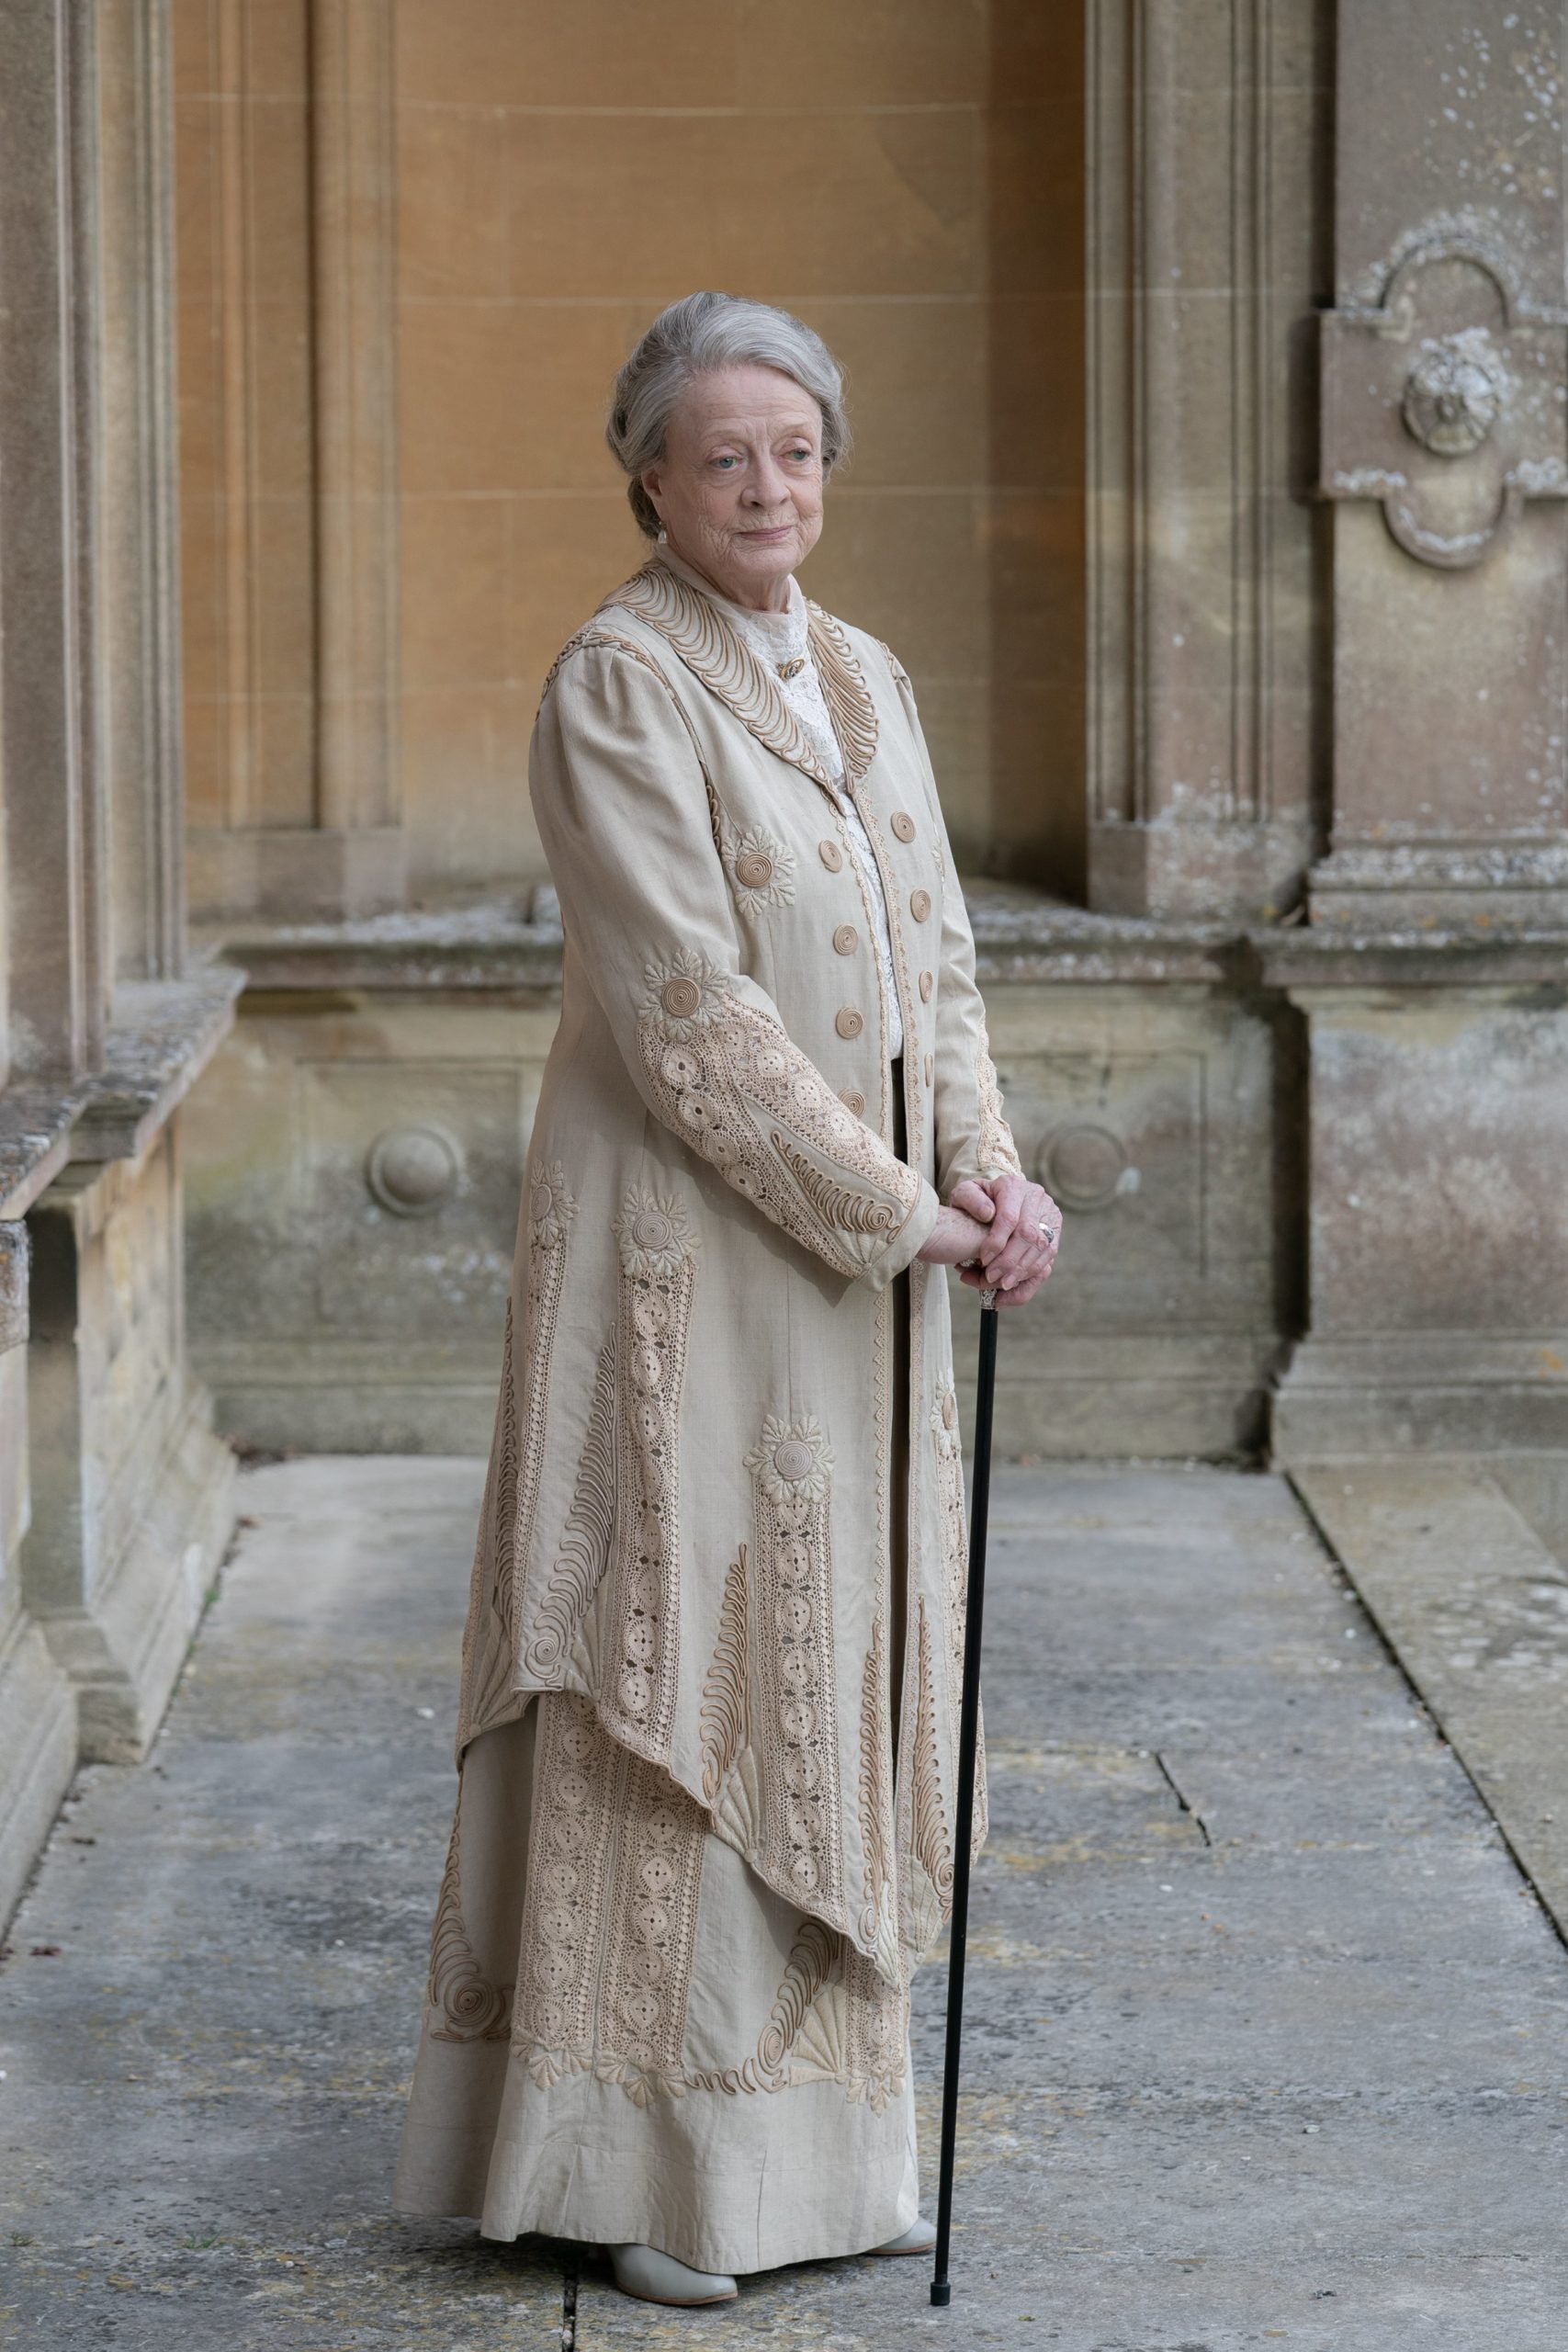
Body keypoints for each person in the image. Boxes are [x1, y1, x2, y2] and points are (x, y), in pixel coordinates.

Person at [393, 290, 1061, 2309]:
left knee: (831, 1661)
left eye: (796, 449)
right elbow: (690, 1014)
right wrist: (903, 1212)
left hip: (866, 1267)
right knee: (671, 1663)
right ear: (649, 480)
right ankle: (643, 2169)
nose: (768, 485)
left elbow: (937, 965)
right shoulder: (617, 684)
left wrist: (987, 1170)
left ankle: (822, 2158)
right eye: (722, 455)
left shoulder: (862, 675)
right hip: (683, 1262)